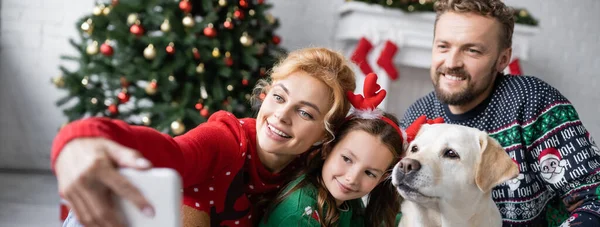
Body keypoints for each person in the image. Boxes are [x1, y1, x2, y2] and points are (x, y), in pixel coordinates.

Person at [51, 47, 356, 227]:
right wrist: (80, 138)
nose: (281, 115)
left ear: (323, 136)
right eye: (278, 97)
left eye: (305, 113)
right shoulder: (225, 141)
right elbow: (169, 151)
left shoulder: (314, 170)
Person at [400, 0, 600, 226]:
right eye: (443, 46)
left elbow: (595, 199)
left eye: (472, 50)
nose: (452, 62)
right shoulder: (418, 115)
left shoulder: (534, 102)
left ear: (503, 59)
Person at [260, 73, 403, 227]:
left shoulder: (349, 202)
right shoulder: (299, 215)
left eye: (369, 173)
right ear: (327, 149)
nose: (352, 178)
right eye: (347, 159)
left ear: (382, 178)